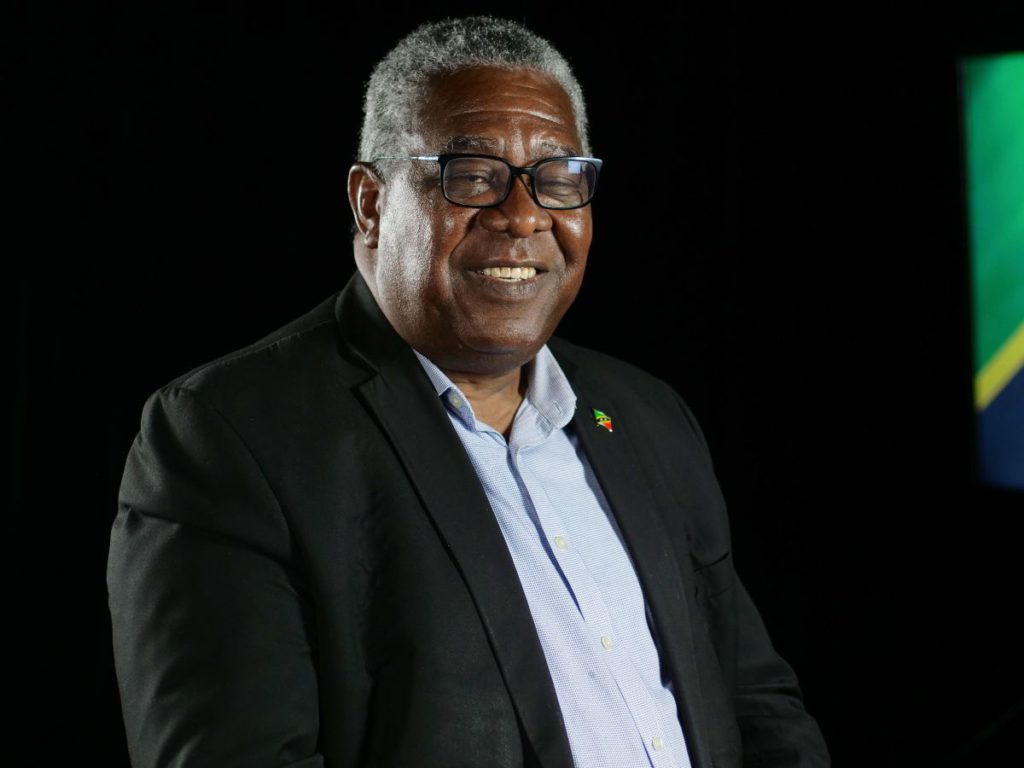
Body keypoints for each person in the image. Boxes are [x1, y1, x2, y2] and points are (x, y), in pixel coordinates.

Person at [106, 15, 830, 768]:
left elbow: (755, 705)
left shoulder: (649, 417)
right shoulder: (229, 437)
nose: (524, 216)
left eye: (558, 176)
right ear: (370, 203)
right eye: (473, 174)